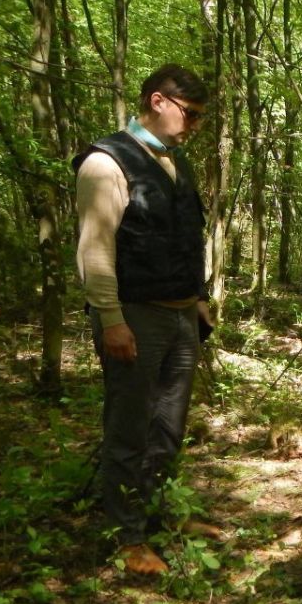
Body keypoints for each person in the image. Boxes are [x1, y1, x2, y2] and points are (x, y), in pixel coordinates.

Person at [74, 64, 212, 575]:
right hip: (134, 314)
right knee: (129, 428)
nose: (194, 125)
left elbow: (183, 237)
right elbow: (95, 249)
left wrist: (197, 299)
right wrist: (111, 318)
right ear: (158, 100)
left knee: (168, 427)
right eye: (190, 114)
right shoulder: (106, 163)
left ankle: (158, 516)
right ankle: (127, 537)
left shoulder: (176, 162)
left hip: (181, 318)